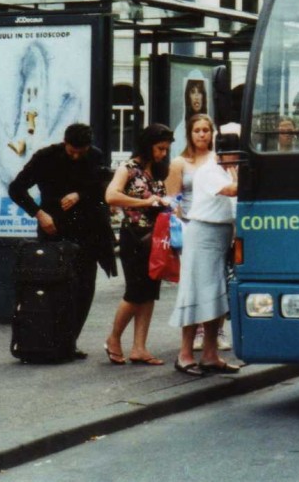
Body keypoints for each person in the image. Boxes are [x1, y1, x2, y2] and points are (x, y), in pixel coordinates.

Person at [7, 123, 116, 360]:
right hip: (54, 230)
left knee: (84, 289)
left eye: (81, 151)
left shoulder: (94, 156)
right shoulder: (46, 157)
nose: (76, 156)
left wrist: (80, 194)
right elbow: (16, 188)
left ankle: (69, 342)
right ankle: (51, 341)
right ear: (64, 143)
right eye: (72, 151)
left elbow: (101, 187)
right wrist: (39, 213)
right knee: (55, 288)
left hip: (88, 233)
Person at [169, 133, 242, 376]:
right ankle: (185, 355)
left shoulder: (224, 168)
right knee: (196, 293)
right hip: (203, 233)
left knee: (216, 295)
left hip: (220, 234)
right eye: (235, 155)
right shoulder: (211, 170)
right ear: (223, 153)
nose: (237, 161)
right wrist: (241, 177)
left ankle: (210, 355)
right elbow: (233, 191)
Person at [103, 123, 174, 366]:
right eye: (159, 148)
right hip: (134, 235)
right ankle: (113, 338)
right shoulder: (128, 168)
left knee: (149, 292)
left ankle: (139, 348)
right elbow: (111, 196)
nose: (163, 153)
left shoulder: (157, 170)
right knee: (135, 291)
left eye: (166, 149)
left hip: (155, 236)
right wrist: (146, 203)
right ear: (148, 145)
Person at [165, 113, 231, 352]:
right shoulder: (180, 163)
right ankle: (198, 334)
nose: (202, 134)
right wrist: (181, 224)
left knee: (218, 280)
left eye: (206, 130)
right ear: (190, 135)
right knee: (197, 283)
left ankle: (216, 331)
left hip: (218, 221)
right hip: (192, 224)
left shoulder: (219, 158)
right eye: (197, 130)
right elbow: (173, 199)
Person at [171, 74, 208, 158]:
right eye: (193, 92)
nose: (196, 97)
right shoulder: (180, 131)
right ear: (188, 96)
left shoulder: (211, 128)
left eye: (199, 92)